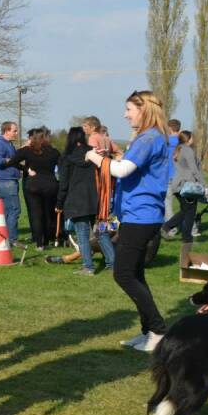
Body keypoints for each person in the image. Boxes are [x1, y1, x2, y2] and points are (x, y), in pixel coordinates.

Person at [85, 90, 169, 352]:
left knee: (122, 273)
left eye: (129, 109)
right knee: (135, 273)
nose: (125, 114)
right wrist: (110, 158)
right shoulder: (152, 137)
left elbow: (123, 170)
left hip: (141, 216)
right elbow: (129, 165)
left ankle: (158, 330)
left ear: (143, 110)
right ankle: (148, 331)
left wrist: (95, 158)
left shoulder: (148, 138)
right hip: (141, 215)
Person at [54, 127, 116, 275]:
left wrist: (59, 203)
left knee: (82, 234)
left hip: (77, 202)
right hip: (97, 201)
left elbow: (64, 184)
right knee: (102, 233)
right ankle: (113, 264)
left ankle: (88, 267)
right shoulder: (94, 154)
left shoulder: (67, 157)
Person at [4, 128, 61, 250]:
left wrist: (26, 169)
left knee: (36, 215)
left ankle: (39, 243)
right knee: (47, 214)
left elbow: (12, 162)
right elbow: (62, 167)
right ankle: (46, 241)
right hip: (50, 184)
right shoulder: (54, 152)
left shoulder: (27, 150)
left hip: (33, 185)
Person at [161, 130, 206, 245]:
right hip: (187, 186)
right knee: (190, 213)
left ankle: (167, 227)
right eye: (192, 138)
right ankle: (187, 240)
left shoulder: (178, 149)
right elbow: (194, 170)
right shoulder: (188, 150)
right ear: (189, 139)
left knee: (185, 211)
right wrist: (204, 185)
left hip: (177, 185)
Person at [0, 122, 22, 246]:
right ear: (6, 131)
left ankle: (5, 237)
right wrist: (11, 160)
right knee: (15, 210)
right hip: (6, 181)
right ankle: (12, 239)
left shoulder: (8, 144)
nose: (16, 133)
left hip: (8, 181)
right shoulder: (0, 143)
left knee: (7, 211)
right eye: (14, 130)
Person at [164, 119, 181, 222]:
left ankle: (170, 228)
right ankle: (192, 228)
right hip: (182, 177)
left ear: (169, 128)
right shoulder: (182, 142)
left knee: (168, 204)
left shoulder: (165, 142)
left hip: (169, 176)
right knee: (187, 206)